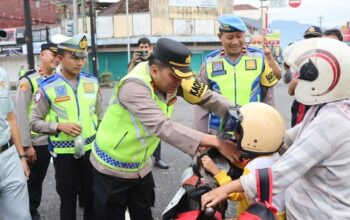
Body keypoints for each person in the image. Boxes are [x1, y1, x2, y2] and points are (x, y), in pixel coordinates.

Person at [90, 37, 239, 219]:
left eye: (182, 77)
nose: (180, 82)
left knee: (143, 214)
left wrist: (239, 112)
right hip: (111, 169)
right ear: (154, 70)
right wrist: (216, 142)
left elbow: (207, 97)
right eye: (175, 78)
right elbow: (162, 126)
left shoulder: (172, 77)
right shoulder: (133, 86)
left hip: (140, 167)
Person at [201, 38, 350, 219]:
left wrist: (224, 189)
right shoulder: (328, 109)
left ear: (327, 78)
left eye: (304, 75)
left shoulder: (332, 122)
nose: (297, 80)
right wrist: (245, 140)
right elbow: (284, 139)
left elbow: (279, 174)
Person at [30, 33, 104, 220]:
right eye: (74, 57)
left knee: (92, 198)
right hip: (64, 156)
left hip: (90, 152)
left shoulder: (92, 82)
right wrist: (58, 126)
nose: (80, 62)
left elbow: (102, 117)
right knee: (68, 201)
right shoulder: (47, 86)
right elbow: (34, 122)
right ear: (61, 58)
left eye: (82, 57)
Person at [193, 14, 278, 135]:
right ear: (220, 37)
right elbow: (200, 102)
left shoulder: (259, 59)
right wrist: (201, 139)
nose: (235, 42)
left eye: (239, 36)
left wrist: (271, 129)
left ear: (245, 36)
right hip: (219, 132)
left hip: (253, 130)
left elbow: (269, 99)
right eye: (230, 37)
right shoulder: (210, 62)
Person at [201, 102, 286, 219]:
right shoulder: (274, 156)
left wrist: (216, 172)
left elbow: (237, 194)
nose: (235, 136)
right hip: (275, 214)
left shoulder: (253, 167)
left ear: (254, 138)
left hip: (259, 216)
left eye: (238, 132)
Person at [15, 43, 59, 220]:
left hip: (58, 138)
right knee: (33, 181)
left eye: (58, 55)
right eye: (52, 54)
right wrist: (26, 146)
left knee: (60, 178)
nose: (56, 58)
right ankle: (30, 211)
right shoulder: (28, 81)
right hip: (37, 141)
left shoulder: (58, 78)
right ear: (42, 55)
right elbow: (20, 114)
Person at [0, 26, 31, 220]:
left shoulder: (2, 73)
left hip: (8, 155)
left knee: (20, 216)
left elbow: (10, 116)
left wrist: (21, 156)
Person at [127, 37, 169, 169]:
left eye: (146, 47)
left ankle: (157, 158)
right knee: (138, 129)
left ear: (150, 48)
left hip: (155, 97)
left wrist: (152, 58)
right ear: (138, 49)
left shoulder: (156, 60)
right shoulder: (135, 61)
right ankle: (140, 157)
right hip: (139, 99)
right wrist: (134, 61)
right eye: (141, 47)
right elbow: (127, 76)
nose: (144, 50)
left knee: (157, 127)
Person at [288, 25, 322, 127]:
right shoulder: (301, 60)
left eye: (314, 38)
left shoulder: (329, 61)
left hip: (321, 106)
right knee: (298, 137)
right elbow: (290, 91)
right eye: (308, 38)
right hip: (301, 106)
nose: (310, 41)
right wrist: (295, 82)